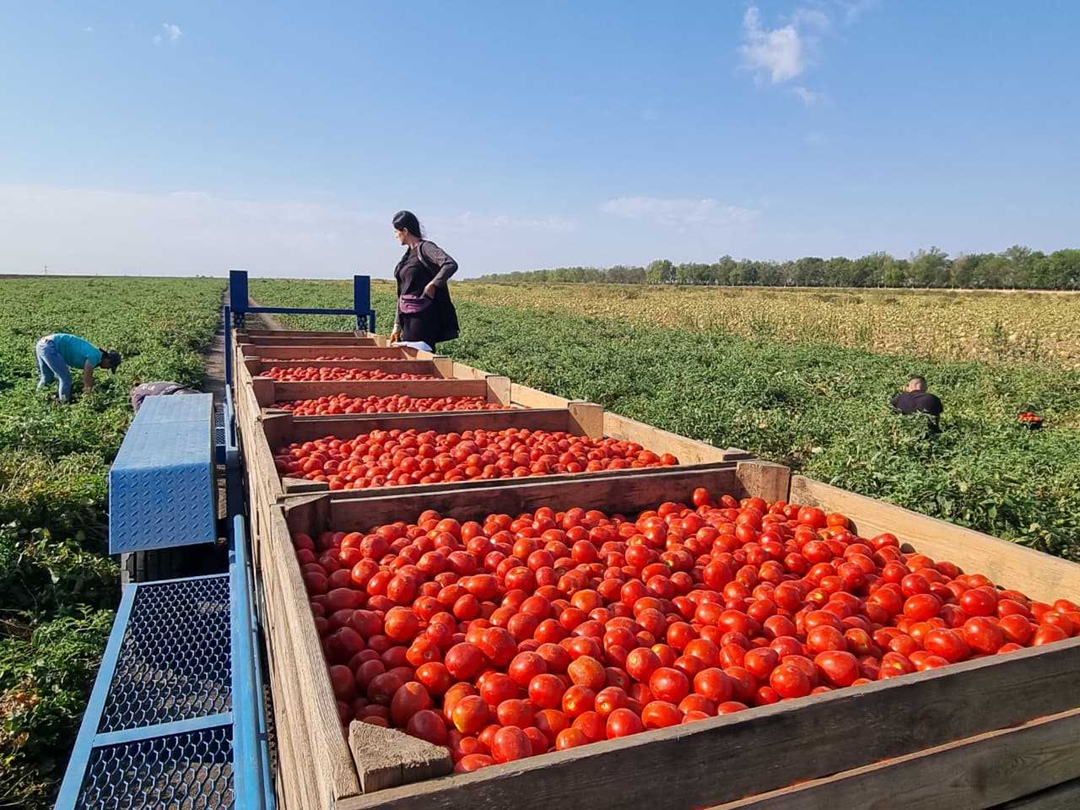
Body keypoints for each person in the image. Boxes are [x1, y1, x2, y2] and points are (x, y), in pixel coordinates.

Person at [388, 210, 460, 352]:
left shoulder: (426, 248)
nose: (395, 235)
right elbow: (402, 292)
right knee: (409, 359)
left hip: (423, 316)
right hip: (407, 318)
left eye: (396, 231)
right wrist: (397, 324)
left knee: (420, 357)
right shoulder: (407, 256)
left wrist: (433, 284)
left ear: (405, 231)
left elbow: (450, 264)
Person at [35, 333, 121, 403]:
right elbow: (86, 379)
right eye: (109, 366)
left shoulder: (95, 353)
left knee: (47, 377)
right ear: (108, 360)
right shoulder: (95, 356)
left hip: (42, 343)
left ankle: (37, 399)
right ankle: (64, 405)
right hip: (50, 346)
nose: (107, 369)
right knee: (66, 379)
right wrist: (88, 396)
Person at [130, 381, 200, 413]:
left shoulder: (136, 394)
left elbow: (139, 412)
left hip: (175, 396)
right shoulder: (150, 384)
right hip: (183, 389)